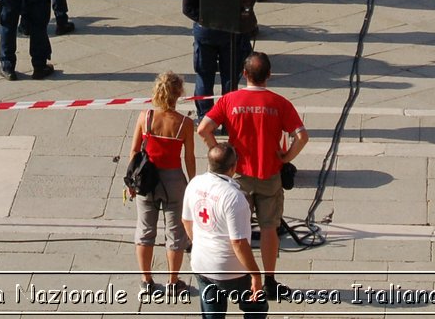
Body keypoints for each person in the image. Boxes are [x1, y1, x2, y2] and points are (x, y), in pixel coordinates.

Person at [196, 53, 307, 303]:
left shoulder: (229, 100)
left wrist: (220, 151)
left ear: (244, 74)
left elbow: (203, 129)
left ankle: (242, 276)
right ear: (269, 75)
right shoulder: (280, 103)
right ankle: (269, 280)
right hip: (270, 174)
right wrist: (285, 157)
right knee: (269, 228)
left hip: (238, 177)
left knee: (238, 229)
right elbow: (302, 136)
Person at [127, 70, 197, 301]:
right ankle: (173, 282)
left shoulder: (145, 117)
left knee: (145, 231)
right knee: (175, 234)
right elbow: (189, 158)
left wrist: (130, 181)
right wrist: (192, 183)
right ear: (179, 95)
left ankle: (146, 281)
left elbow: (135, 151)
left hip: (146, 179)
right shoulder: (184, 123)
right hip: (173, 180)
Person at [182, 143, 267, 317]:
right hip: (230, 269)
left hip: (201, 263)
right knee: (256, 308)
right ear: (233, 166)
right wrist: (255, 274)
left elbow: (186, 220)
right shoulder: (235, 198)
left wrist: (199, 244)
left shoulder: (194, 183)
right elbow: (238, 242)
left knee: (212, 314)